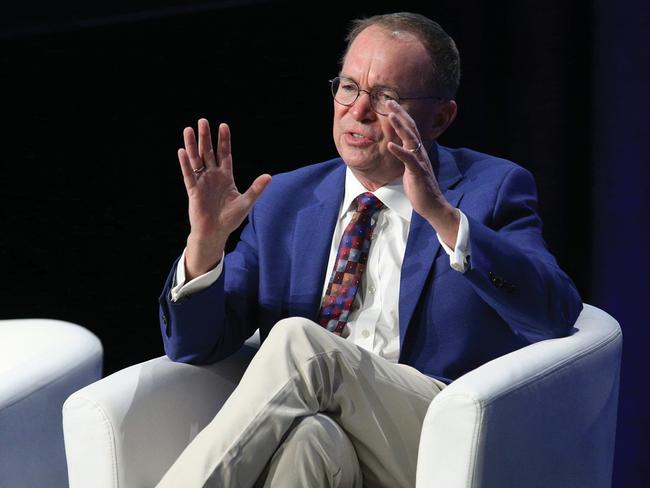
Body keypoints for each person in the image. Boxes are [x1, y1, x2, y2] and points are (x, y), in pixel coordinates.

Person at [156, 11, 582, 488]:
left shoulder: (491, 189)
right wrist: (205, 244)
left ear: (440, 118)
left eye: (386, 97)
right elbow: (193, 345)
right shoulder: (285, 201)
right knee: (310, 441)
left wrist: (442, 216)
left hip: (439, 438)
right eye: (349, 87)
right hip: (333, 431)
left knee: (302, 343)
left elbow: (555, 313)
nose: (358, 111)